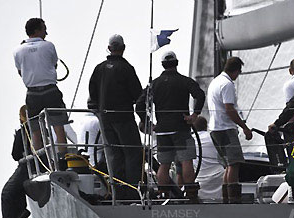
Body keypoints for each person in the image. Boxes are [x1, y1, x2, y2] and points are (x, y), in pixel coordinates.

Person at [136, 51, 205, 202]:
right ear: (177, 63)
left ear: (162, 65)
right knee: (187, 161)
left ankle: (163, 195)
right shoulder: (185, 81)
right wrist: (194, 115)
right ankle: (191, 194)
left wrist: (148, 123)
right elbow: (200, 95)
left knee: (164, 164)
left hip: (162, 131)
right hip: (181, 128)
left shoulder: (154, 84)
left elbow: (139, 105)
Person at [88, 34, 143, 200]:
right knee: (133, 154)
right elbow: (138, 95)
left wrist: (99, 111)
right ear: (123, 48)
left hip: (105, 119)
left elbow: (92, 94)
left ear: (109, 48)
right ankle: (133, 194)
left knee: (114, 155)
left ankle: (117, 194)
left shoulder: (99, 68)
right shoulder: (126, 69)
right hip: (124, 118)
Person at [13, 18, 69, 158]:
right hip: (51, 91)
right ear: (37, 30)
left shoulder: (17, 51)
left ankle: (39, 162)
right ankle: (63, 160)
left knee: (35, 132)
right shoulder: (48, 46)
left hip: (32, 94)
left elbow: (20, 72)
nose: (46, 32)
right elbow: (53, 64)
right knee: (58, 127)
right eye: (44, 29)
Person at [207, 57, 252, 203]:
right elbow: (229, 109)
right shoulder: (227, 84)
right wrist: (244, 127)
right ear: (236, 70)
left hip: (214, 128)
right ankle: (233, 199)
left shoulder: (215, 82)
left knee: (227, 165)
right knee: (234, 163)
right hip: (225, 128)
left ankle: (226, 199)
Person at [0, 106, 31, 218]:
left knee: (7, 192)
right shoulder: (43, 128)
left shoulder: (22, 132)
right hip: (41, 164)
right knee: (18, 188)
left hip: (27, 165)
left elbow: (15, 155)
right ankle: (20, 213)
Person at [192, 116, 225, 200]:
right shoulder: (214, 137)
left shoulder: (191, 140)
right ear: (206, 126)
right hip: (219, 178)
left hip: (199, 180)